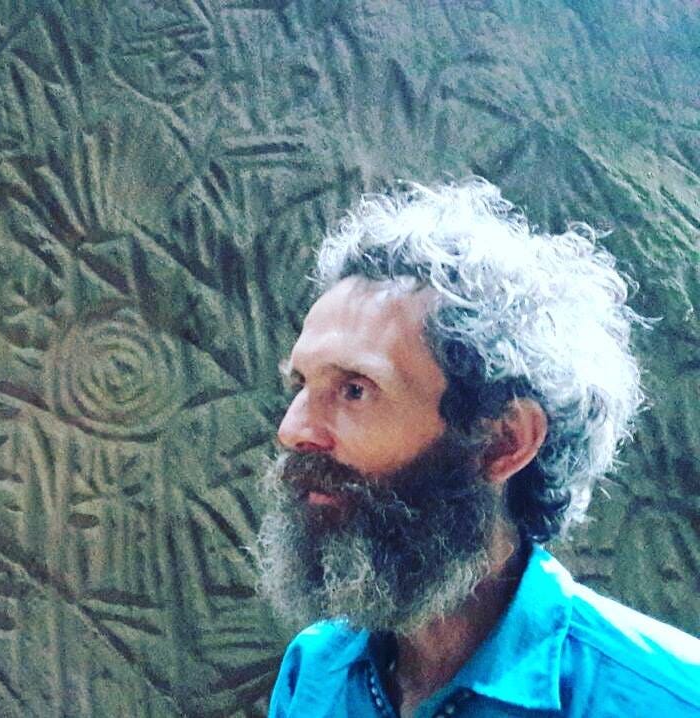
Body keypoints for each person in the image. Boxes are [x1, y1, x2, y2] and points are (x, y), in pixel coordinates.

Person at [253, 178, 700, 717]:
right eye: (301, 384)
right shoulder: (316, 670)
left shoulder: (671, 698)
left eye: (354, 390)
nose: (293, 430)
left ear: (503, 441)